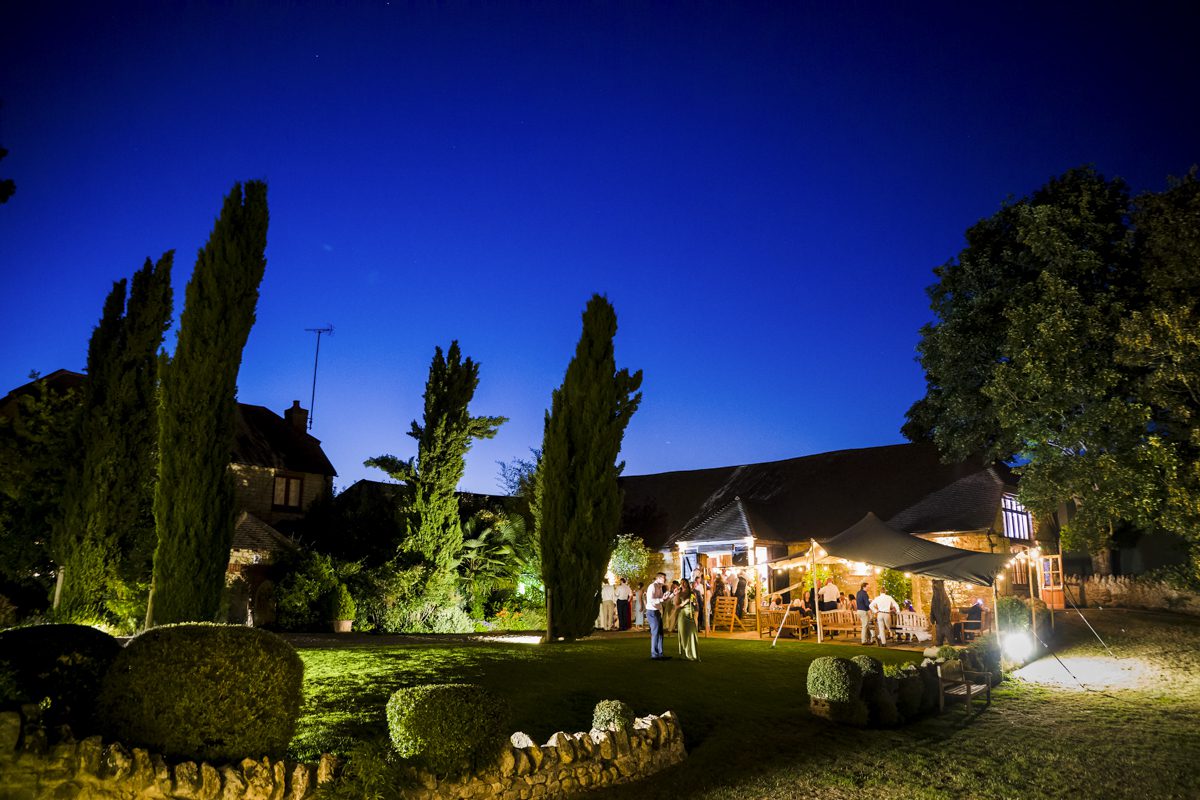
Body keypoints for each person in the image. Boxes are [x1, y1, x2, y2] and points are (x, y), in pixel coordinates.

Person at [645, 572, 674, 660]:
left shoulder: (659, 587)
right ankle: (654, 654)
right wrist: (661, 599)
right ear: (658, 578)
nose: (665, 580)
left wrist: (673, 594)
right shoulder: (652, 586)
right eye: (664, 578)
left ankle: (660, 654)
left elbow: (663, 600)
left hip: (657, 611)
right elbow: (651, 600)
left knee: (660, 633)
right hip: (651, 611)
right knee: (655, 633)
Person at [676, 579, 700, 661]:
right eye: (681, 583)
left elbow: (695, 603)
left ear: (687, 583)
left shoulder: (692, 593)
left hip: (690, 615)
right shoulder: (679, 593)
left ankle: (692, 653)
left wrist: (693, 602)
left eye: (684, 582)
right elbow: (676, 606)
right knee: (683, 634)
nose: (683, 584)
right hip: (682, 615)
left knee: (692, 633)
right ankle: (684, 653)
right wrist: (683, 603)